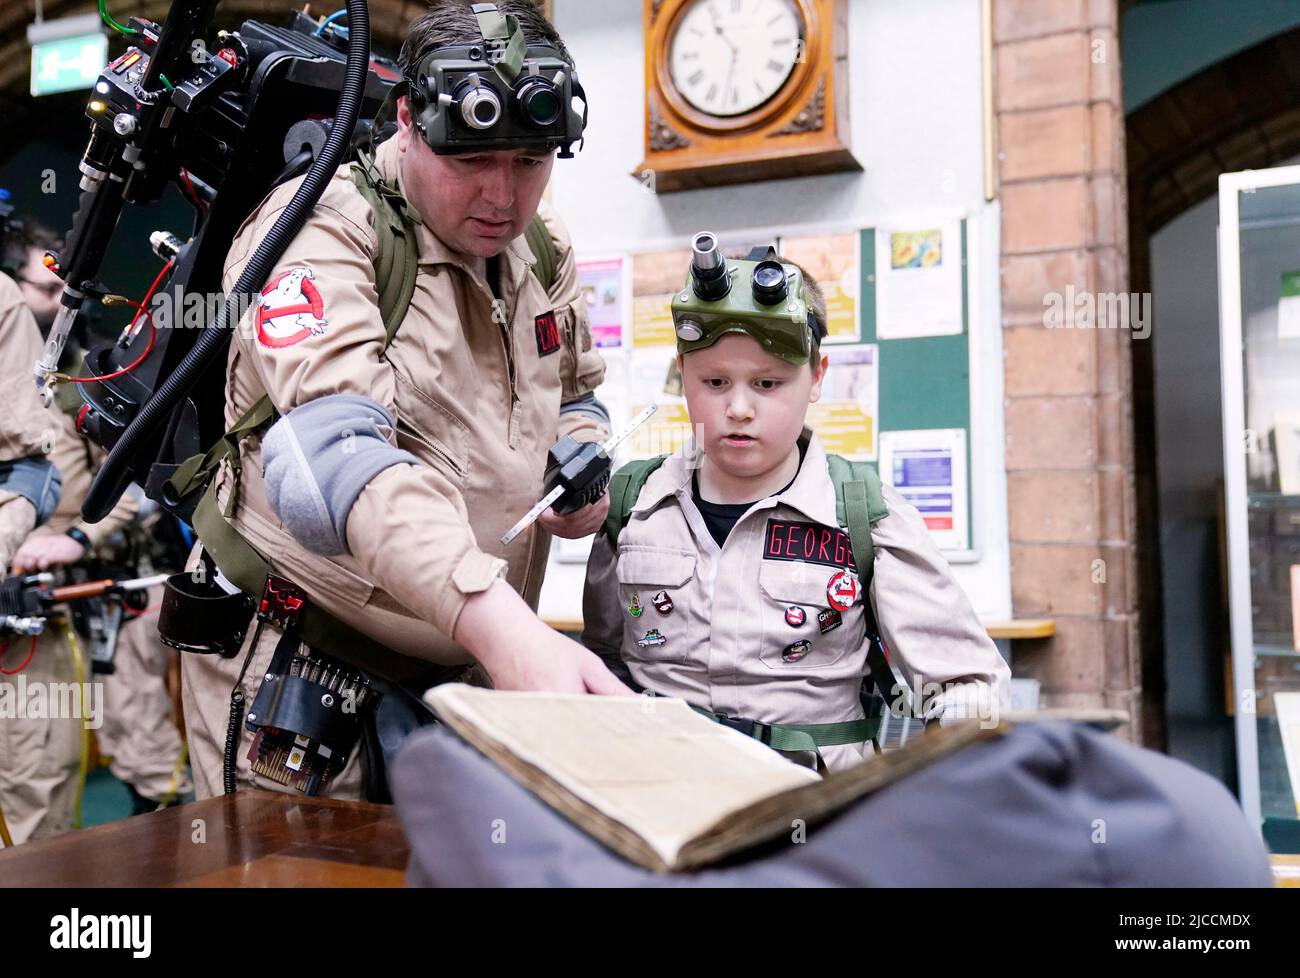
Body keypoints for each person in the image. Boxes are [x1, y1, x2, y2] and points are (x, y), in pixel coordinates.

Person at [180, 0, 627, 803]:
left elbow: (577, 393)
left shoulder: (539, 242)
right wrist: (508, 631)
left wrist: (582, 460)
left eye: (530, 161)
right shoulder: (314, 232)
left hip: (462, 669)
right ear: (409, 122)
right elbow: (339, 467)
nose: (502, 195)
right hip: (305, 676)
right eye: (472, 160)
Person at [582, 244, 1010, 772]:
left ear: (818, 376)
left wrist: (951, 766)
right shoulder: (631, 503)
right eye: (714, 382)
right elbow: (602, 664)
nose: (738, 408)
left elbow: (966, 683)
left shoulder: (864, 512)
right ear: (681, 375)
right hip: (660, 799)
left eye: (768, 383)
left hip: (811, 809)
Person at [1, 224, 141, 844]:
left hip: (39, 608)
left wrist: (74, 541)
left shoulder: (85, 377)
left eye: (68, 287)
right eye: (46, 286)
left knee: (41, 787)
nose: (61, 302)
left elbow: (135, 485)